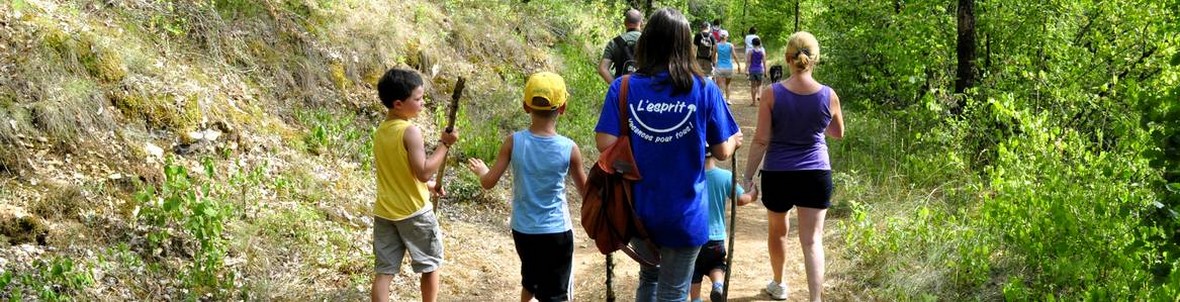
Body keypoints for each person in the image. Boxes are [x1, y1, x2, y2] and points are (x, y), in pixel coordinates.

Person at [594, 8, 742, 302]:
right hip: (685, 214)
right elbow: (723, 151)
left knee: (649, 277)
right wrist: (735, 141)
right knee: (674, 292)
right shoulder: (703, 88)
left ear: (647, 41)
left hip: (638, 212)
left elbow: (604, 142)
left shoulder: (622, 87)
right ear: (686, 44)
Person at [466, 72, 588, 302]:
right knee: (557, 294)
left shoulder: (514, 141)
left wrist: (482, 171)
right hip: (556, 232)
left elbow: (488, 182)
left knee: (531, 279)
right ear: (562, 108)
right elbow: (587, 193)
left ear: (525, 106)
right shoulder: (569, 148)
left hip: (523, 230)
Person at [742, 31, 844, 302]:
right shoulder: (828, 95)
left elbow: (762, 139)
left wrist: (747, 176)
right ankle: (815, 299)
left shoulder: (771, 93)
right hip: (816, 174)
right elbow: (837, 132)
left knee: (779, 232)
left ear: (787, 59)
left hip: (779, 173)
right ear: (815, 59)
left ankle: (779, 283)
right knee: (812, 241)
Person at [371, 68, 460, 302]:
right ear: (399, 104)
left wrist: (429, 186)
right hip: (414, 213)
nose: (422, 103)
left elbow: (400, 172)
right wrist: (444, 144)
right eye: (418, 99)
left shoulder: (381, 131)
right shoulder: (410, 131)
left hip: (385, 213)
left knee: (384, 272)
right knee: (430, 265)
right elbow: (422, 171)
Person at [689, 154, 759, 302]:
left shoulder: (689, 177)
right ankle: (718, 285)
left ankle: (695, 299)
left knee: (694, 269)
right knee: (717, 263)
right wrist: (753, 194)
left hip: (694, 236)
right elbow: (740, 199)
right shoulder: (725, 176)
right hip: (716, 238)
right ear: (715, 153)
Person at [598, 9, 645, 83]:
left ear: (625, 23)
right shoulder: (649, 42)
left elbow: (602, 69)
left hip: (621, 90)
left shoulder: (614, 43)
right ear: (641, 23)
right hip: (643, 91)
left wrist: (616, 86)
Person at [712, 31, 742, 103]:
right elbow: (734, 56)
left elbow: (713, 57)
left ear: (719, 37)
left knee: (719, 85)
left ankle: (720, 99)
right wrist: (738, 65)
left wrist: (713, 64)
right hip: (728, 67)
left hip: (719, 67)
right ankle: (728, 100)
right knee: (727, 84)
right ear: (727, 36)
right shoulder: (730, 45)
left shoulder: (716, 45)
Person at [745, 37, 767, 106]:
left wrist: (746, 70)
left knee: (753, 86)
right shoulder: (762, 52)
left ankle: (754, 102)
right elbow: (764, 62)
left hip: (752, 70)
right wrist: (765, 71)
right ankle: (759, 96)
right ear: (759, 43)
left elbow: (748, 62)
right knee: (760, 85)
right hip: (760, 70)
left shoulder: (750, 52)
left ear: (752, 44)